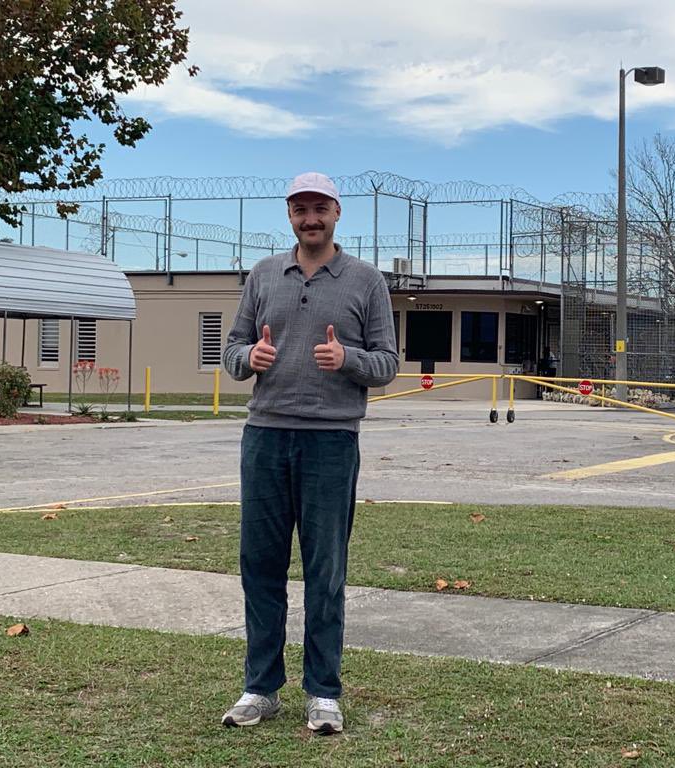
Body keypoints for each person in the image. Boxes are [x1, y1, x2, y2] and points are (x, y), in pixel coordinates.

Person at [220, 172, 398, 734]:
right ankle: (260, 688)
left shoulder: (366, 282)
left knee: (325, 570)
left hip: (331, 440)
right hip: (266, 437)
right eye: (300, 209)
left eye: (319, 208)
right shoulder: (264, 274)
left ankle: (323, 692)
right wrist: (252, 357)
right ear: (290, 215)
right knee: (260, 567)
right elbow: (230, 351)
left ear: (337, 214)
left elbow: (388, 365)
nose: (310, 218)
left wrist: (347, 358)